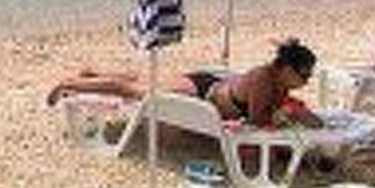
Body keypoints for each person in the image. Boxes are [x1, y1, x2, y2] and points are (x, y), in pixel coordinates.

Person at [48, 39, 323, 128]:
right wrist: (287, 115)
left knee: (140, 79)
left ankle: (92, 73)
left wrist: (293, 112)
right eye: (304, 75)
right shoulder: (264, 78)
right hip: (200, 93)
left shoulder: (282, 81)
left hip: (210, 86)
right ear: (287, 68)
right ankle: (69, 85)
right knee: (132, 91)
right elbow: (256, 121)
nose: (306, 81)